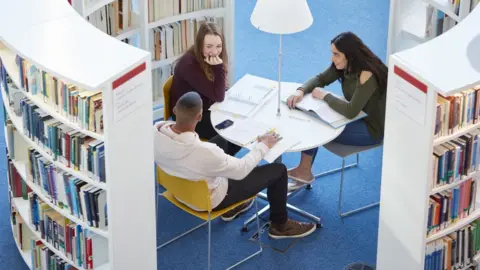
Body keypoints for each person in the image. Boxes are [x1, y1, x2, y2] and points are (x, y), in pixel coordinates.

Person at [154, 92, 317, 239]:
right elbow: (241, 171)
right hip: (210, 198)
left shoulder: (154, 134)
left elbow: (208, 155)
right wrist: (263, 145)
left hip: (178, 189)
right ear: (199, 116)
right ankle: (280, 225)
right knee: (279, 171)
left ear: (174, 110)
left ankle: (237, 206)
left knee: (225, 140)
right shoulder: (206, 152)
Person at [286, 31, 387, 189]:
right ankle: (304, 170)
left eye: (336, 54)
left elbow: (351, 111)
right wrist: (301, 90)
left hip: (371, 128)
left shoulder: (366, 75)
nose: (332, 58)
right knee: (313, 116)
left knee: (317, 126)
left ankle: (304, 171)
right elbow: (321, 79)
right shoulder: (344, 66)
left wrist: (325, 96)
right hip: (356, 117)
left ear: (350, 55)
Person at [168, 22, 241, 156]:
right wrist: (218, 68)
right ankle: (215, 159)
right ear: (200, 44)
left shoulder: (207, 57)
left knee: (239, 123)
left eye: (219, 46)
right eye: (209, 46)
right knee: (232, 131)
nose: (214, 52)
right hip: (189, 116)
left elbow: (219, 89)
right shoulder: (189, 65)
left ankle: (223, 159)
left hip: (206, 103)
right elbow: (218, 96)